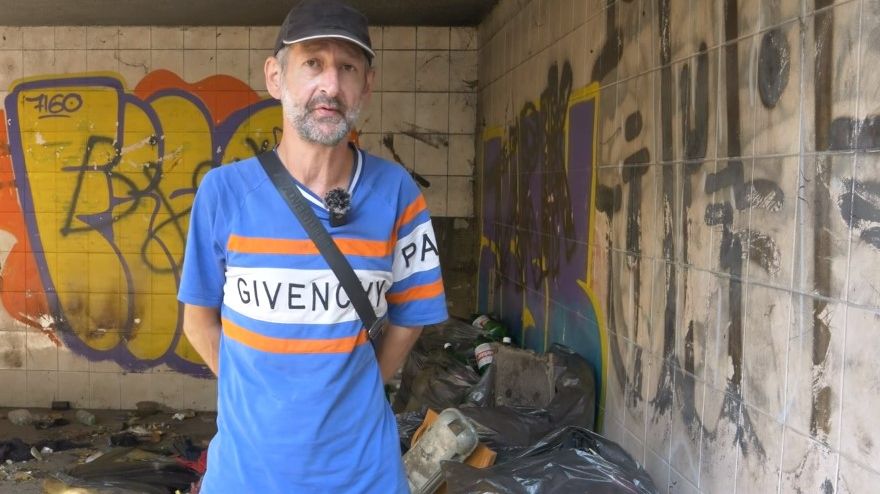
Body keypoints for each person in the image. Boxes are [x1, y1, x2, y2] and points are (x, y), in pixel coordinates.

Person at [177, 0, 448, 491]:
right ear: (275, 77)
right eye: (313, 63)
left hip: (364, 477)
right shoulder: (224, 194)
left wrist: (354, 393)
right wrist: (258, 398)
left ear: (367, 84)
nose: (331, 85)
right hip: (246, 476)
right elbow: (197, 321)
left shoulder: (397, 194)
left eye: (348, 67)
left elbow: (411, 318)